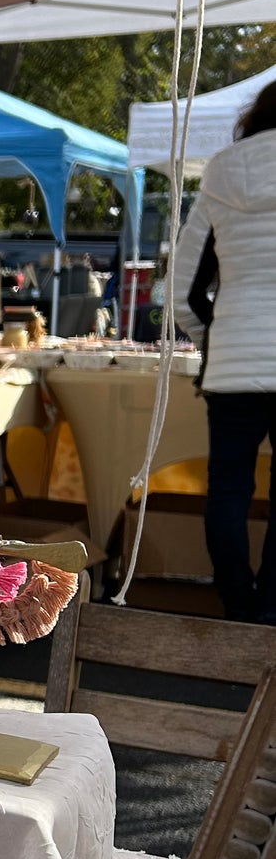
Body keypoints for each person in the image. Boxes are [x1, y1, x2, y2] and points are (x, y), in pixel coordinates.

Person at [173, 79, 276, 620]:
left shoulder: (223, 171)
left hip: (233, 367)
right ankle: (271, 615)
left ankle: (239, 604)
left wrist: (215, 339)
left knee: (229, 490)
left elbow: (180, 292)